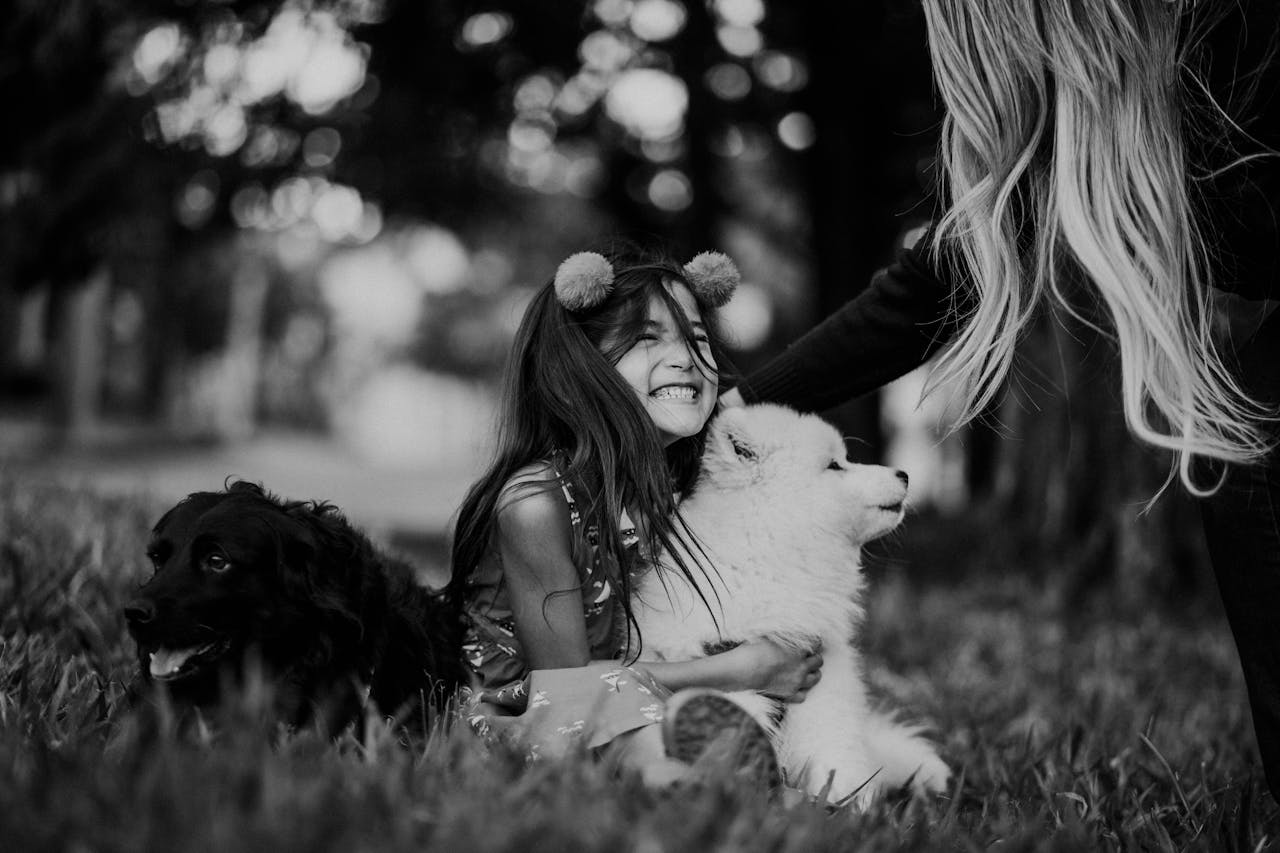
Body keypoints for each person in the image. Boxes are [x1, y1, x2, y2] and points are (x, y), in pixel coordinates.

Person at [723, 0, 1280, 800]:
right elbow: (932, 287)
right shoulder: (1088, 123)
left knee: (1255, 452)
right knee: (1250, 453)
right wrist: (730, 413)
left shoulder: (1232, 37)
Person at [447, 247, 824, 787]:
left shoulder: (666, 493)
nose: (687, 358)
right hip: (519, 725)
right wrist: (746, 669)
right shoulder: (535, 502)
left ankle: (707, 769)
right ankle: (674, 782)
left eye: (697, 339)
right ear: (579, 366)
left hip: (624, 697)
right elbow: (569, 690)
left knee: (643, 698)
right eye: (648, 338)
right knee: (617, 692)